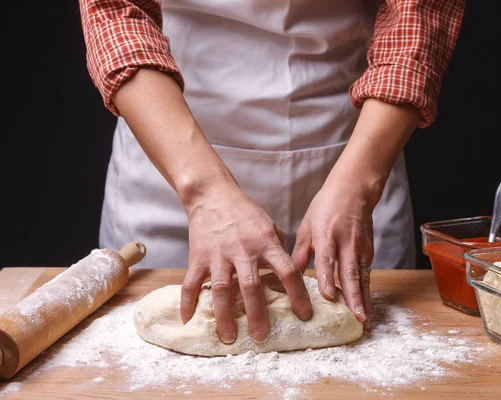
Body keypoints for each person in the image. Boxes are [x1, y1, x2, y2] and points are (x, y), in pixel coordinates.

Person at [78, 0, 465, 345]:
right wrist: (202, 191)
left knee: (370, 347)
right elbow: (114, 13)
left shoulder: (359, 170)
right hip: (169, 143)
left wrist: (361, 181)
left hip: (355, 147)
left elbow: (418, 16)